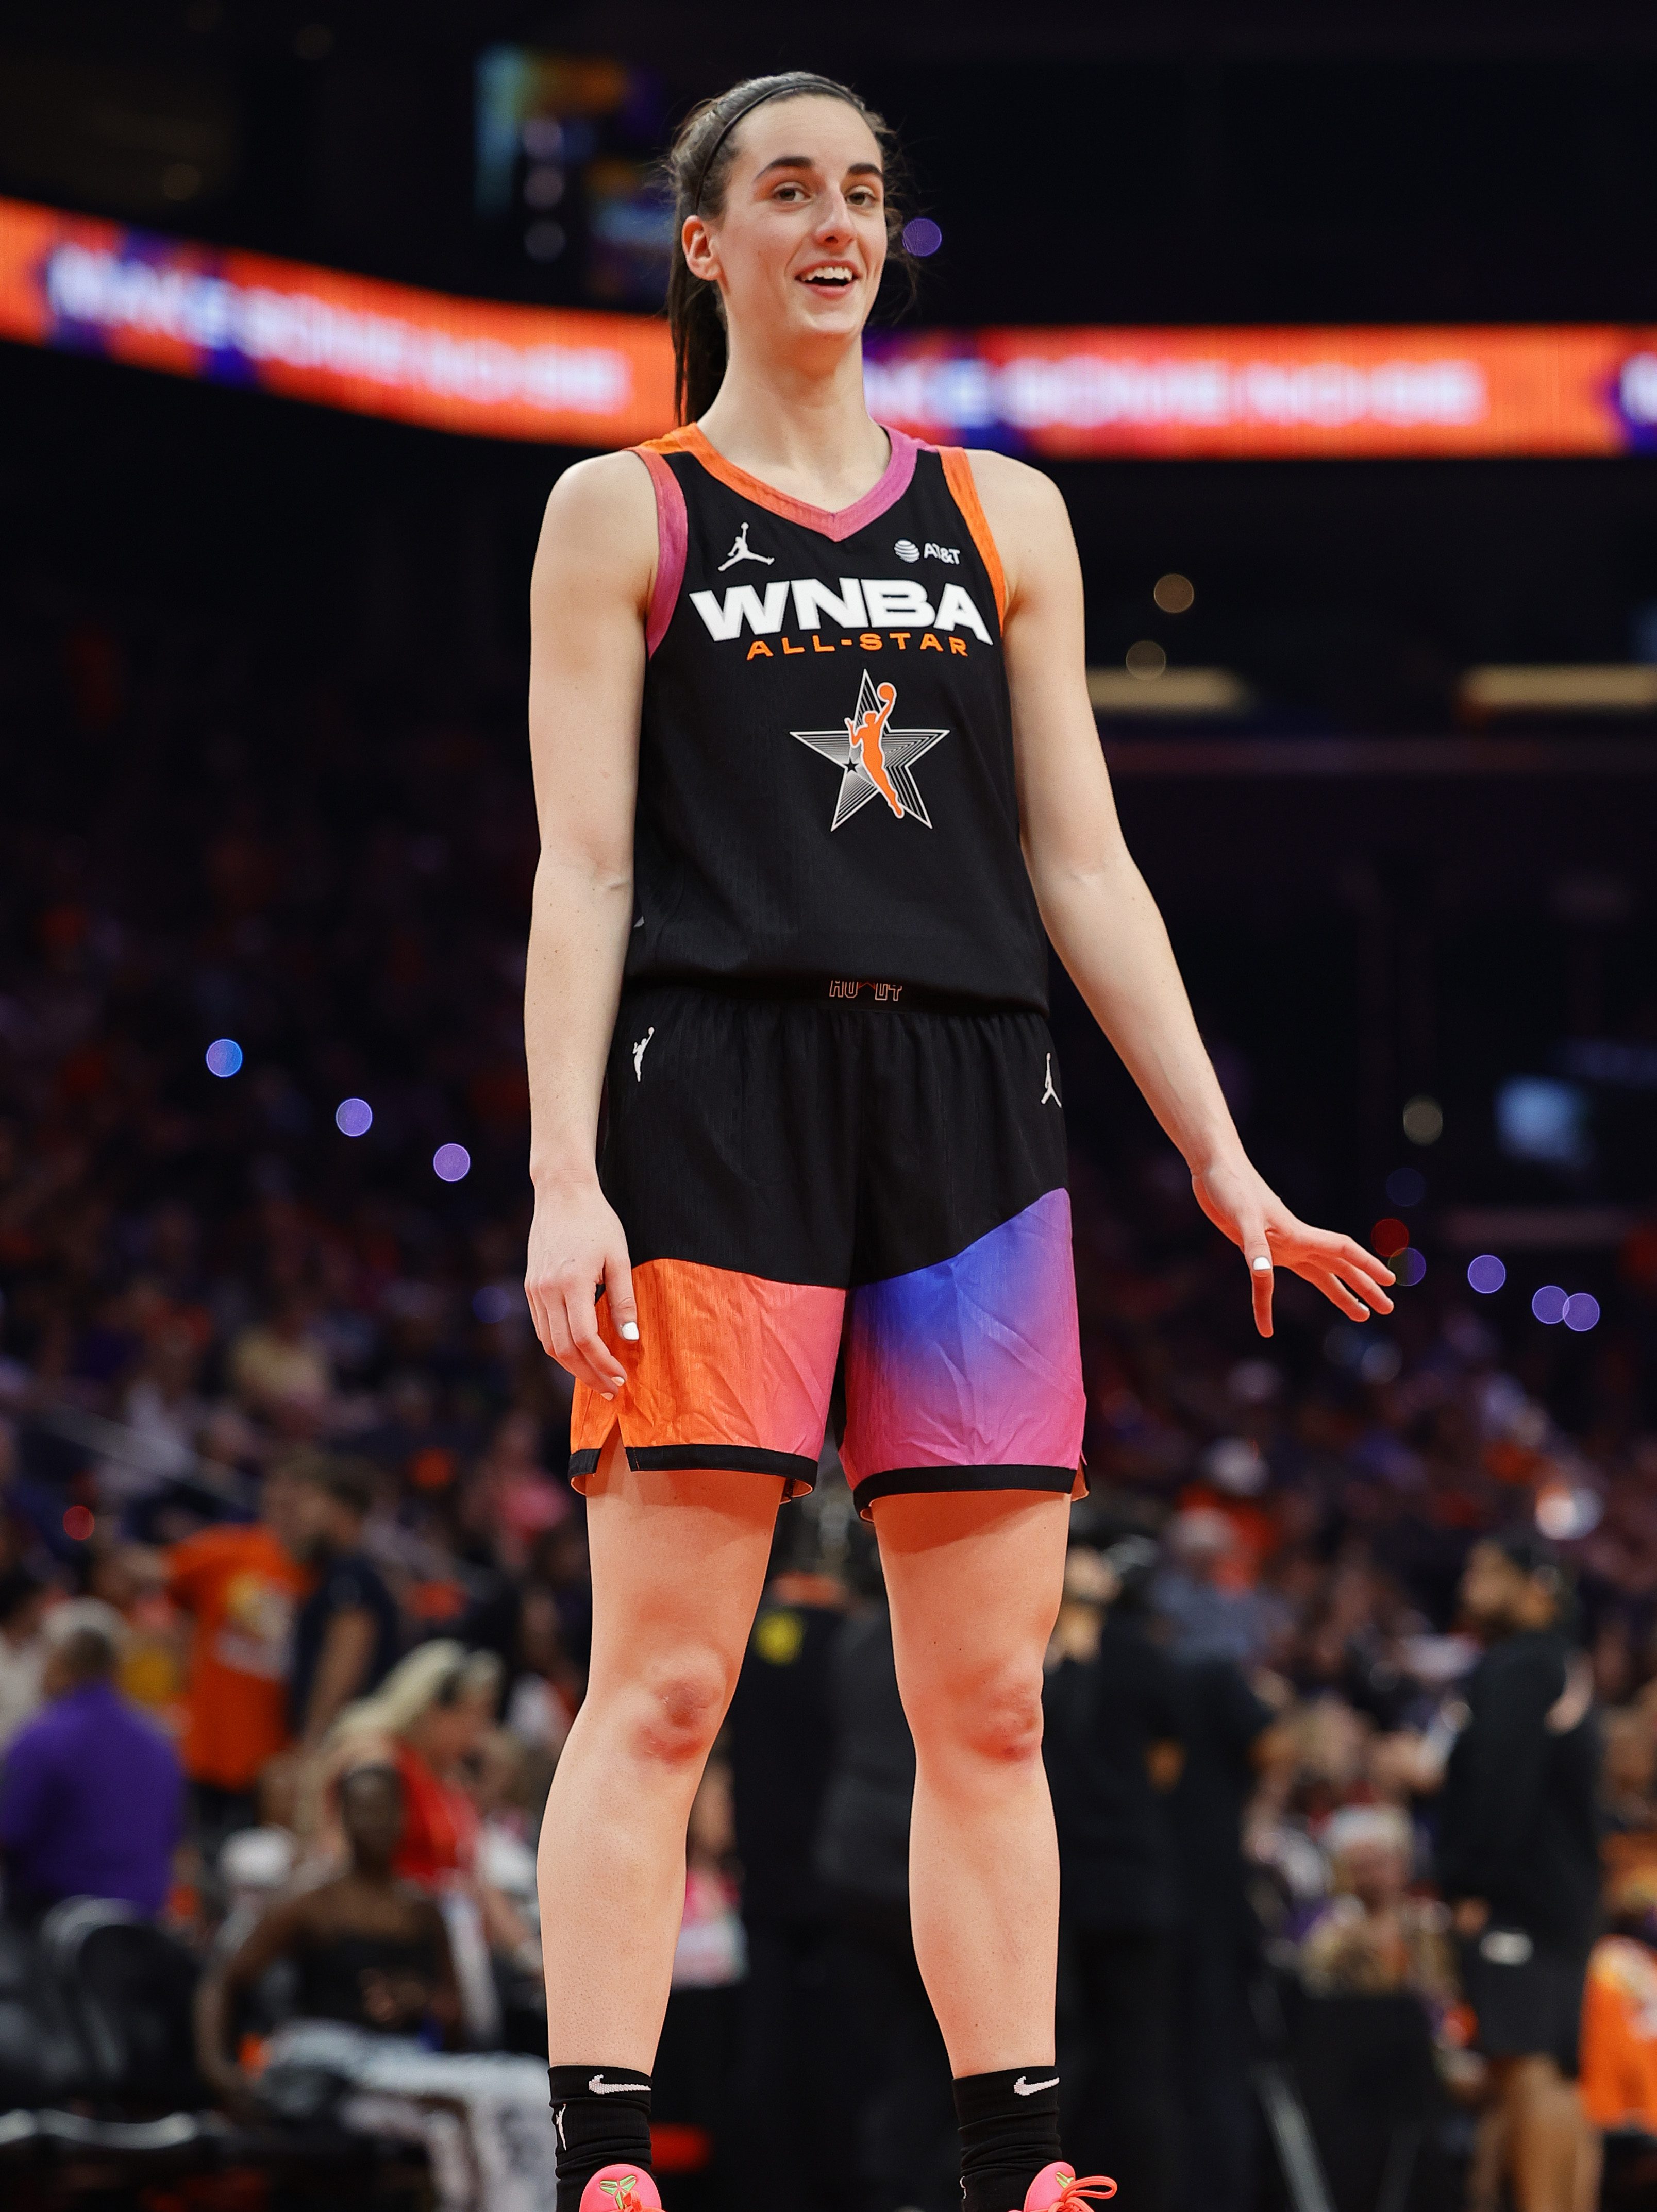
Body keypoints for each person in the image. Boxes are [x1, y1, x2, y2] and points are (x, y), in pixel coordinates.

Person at [521, 69, 1394, 2212]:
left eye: (861, 191)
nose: (835, 222)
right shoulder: (621, 508)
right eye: (786, 189)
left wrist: (1218, 1155)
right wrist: (560, 1173)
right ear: (706, 243)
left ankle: (1017, 2159)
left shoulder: (1004, 512)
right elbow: (582, 868)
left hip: (975, 1113)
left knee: (990, 1702)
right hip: (716, 1099)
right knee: (665, 1684)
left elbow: (1081, 865)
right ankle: (607, 2155)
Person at [1436, 1531, 1601, 2212]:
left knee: (1526, 2067)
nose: (1468, 1584)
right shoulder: (1557, 1661)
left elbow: (1501, 1784)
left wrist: (1473, 1883)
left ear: (1536, 1588)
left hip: (1519, 1898)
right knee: (1551, 2072)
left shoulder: (1520, 1666)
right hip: (1560, 1896)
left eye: (1486, 1571)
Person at [1044, 1539, 1184, 2212]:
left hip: (1069, 1886)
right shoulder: (1142, 1654)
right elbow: (1165, 1766)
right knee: (1130, 2064)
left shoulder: (1032, 1656)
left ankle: (1061, 2195)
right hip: (1123, 1881)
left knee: (1069, 2061)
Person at [195, 1761, 460, 2109]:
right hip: (322, 2061)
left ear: (404, 1815)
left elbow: (455, 2012)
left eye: (386, 1809)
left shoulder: (422, 1910)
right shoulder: (311, 1901)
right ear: (342, 1816)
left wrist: (420, 1999)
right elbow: (224, 1979)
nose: (377, 1822)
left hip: (404, 2063)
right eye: (365, 1809)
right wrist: (218, 2069)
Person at [160, 1459, 311, 1847]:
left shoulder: (318, 1576)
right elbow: (167, 1583)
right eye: (280, 1492)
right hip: (206, 1740)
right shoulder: (227, 1549)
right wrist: (180, 1677)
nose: (287, 1504)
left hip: (271, 1754)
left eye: (298, 1496)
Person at [0, 1599, 181, 1918]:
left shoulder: (44, 1737)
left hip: (55, 1918)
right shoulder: (158, 1744)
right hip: (143, 1922)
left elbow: (10, 1833)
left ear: (59, 1661)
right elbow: (174, 1843)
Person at [288, 1452, 400, 1749]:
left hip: (336, 1738)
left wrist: (312, 1740)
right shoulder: (337, 1570)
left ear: (342, 1510)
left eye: (314, 1501)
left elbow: (343, 1662)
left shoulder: (350, 1574)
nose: (304, 1513)